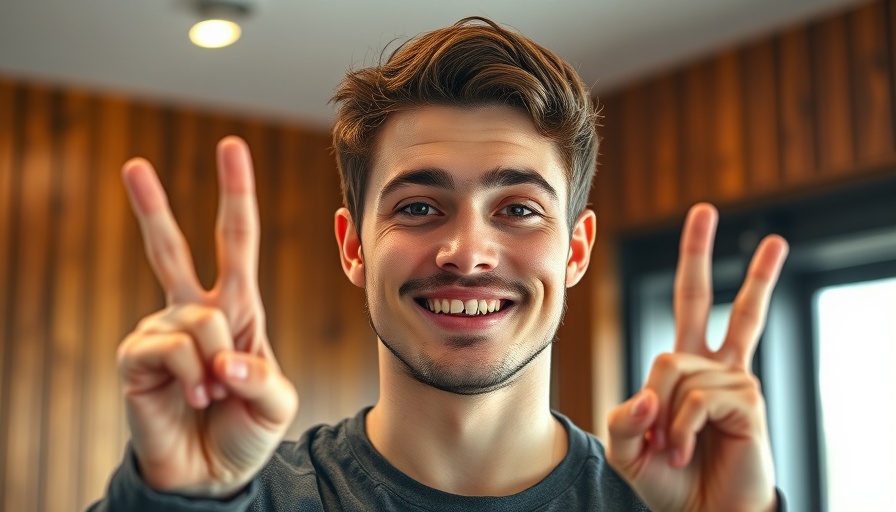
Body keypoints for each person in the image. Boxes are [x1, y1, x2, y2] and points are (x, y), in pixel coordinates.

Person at [89, 17, 787, 511]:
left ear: (575, 249)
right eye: (420, 208)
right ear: (352, 246)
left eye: (517, 208)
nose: (468, 253)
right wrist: (173, 502)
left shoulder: (671, 507)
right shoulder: (241, 497)